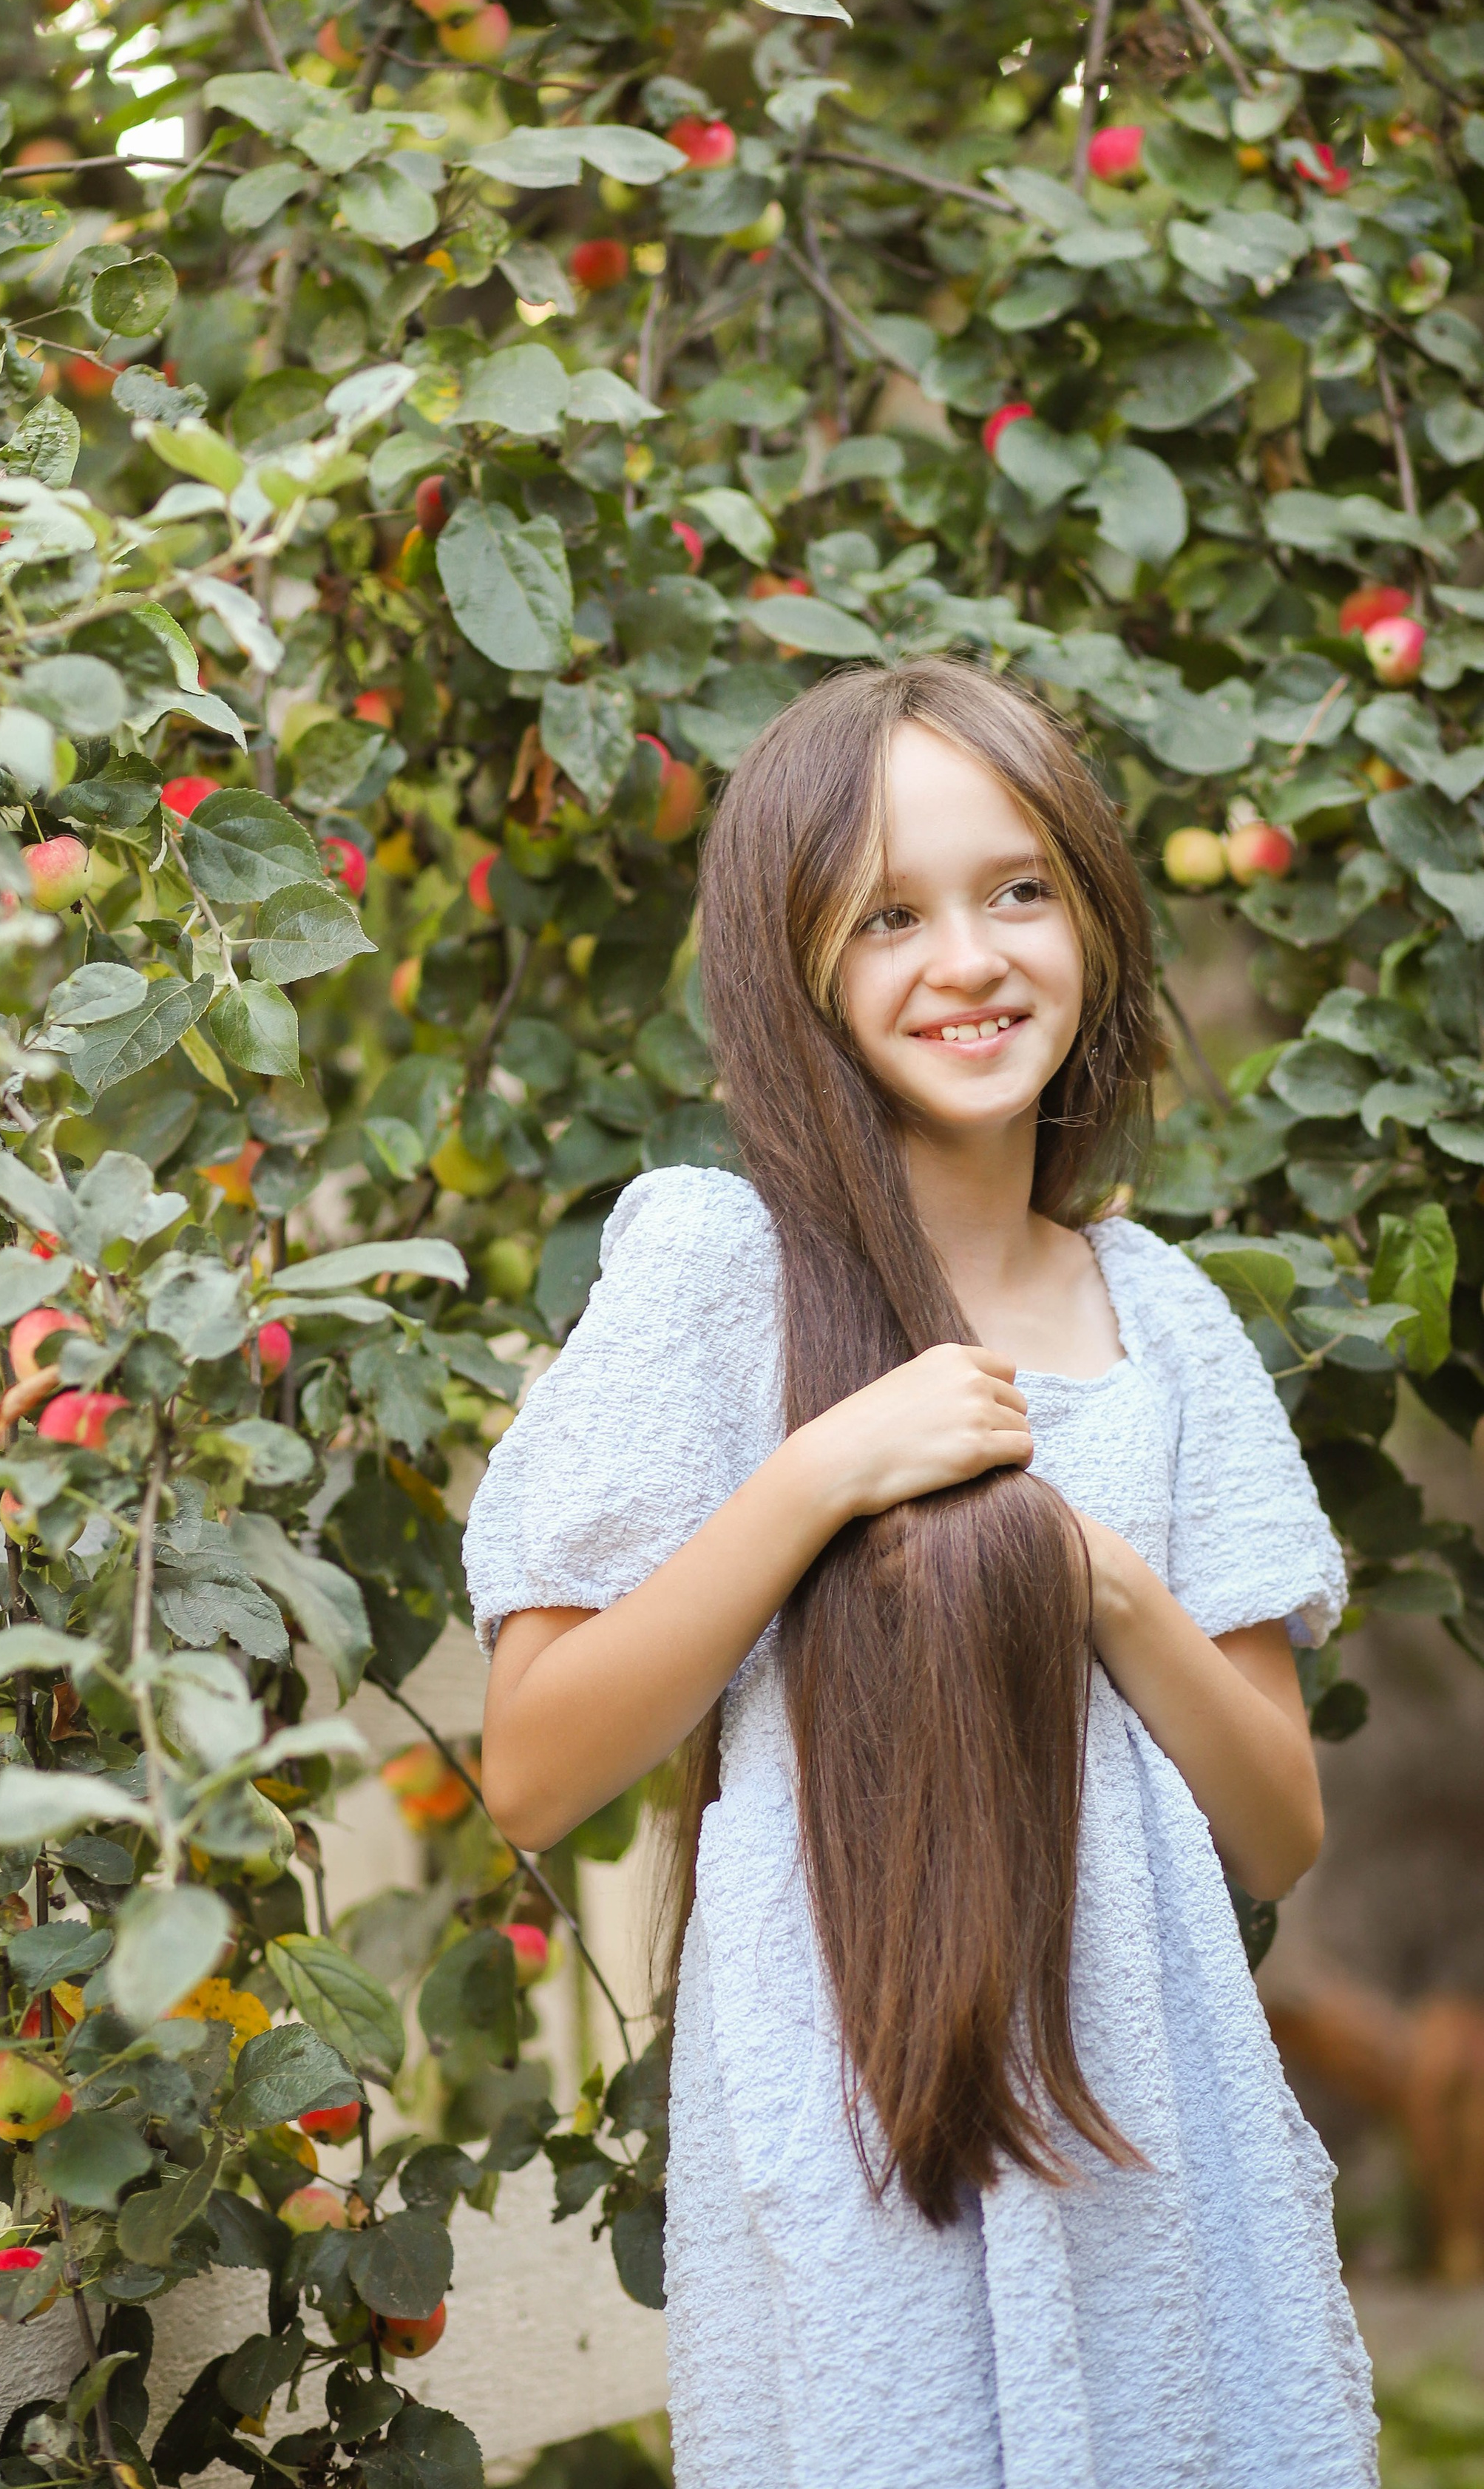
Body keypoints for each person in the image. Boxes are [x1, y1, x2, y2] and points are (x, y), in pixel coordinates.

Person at [464, 658, 1378, 2488]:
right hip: (869, 2133)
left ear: (1094, 920)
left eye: (1014, 889)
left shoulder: (1165, 1326)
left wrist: (1101, 1585)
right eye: (887, 913)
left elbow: (1274, 1831)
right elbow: (537, 1768)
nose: (965, 958)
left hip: (1149, 2140)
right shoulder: (722, 1274)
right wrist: (818, 1473)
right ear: (791, 967)